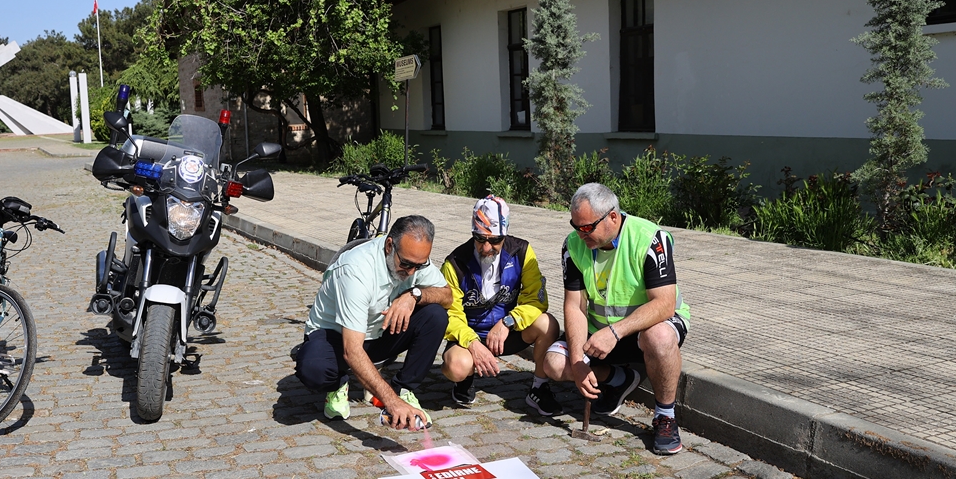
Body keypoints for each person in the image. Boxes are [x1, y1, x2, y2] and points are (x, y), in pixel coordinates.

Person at [543, 183, 691, 455]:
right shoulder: (573, 245)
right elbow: (574, 306)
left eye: (587, 227)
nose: (580, 233)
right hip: (600, 333)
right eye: (575, 225)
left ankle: (665, 416)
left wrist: (614, 332)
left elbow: (665, 304)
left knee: (659, 336)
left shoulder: (650, 238)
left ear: (613, 217)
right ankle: (618, 379)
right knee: (554, 363)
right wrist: (577, 363)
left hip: (644, 329)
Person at [294, 215, 451, 430]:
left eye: (419, 266)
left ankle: (403, 389)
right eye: (405, 264)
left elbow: (448, 296)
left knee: (435, 315)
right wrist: (391, 404)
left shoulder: (414, 261)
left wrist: (414, 295)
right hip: (336, 337)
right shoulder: (356, 269)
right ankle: (338, 383)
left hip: (377, 333)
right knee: (314, 369)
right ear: (389, 246)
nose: (411, 272)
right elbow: (352, 350)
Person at [440, 196, 560, 414]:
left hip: (508, 332)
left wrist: (508, 322)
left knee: (548, 324)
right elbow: (449, 314)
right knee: (455, 367)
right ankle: (464, 380)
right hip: (470, 336)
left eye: (494, 240)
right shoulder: (454, 262)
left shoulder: (522, 251)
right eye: (479, 238)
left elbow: (537, 299)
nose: (486, 247)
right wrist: (472, 342)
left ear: (504, 234)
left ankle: (540, 387)